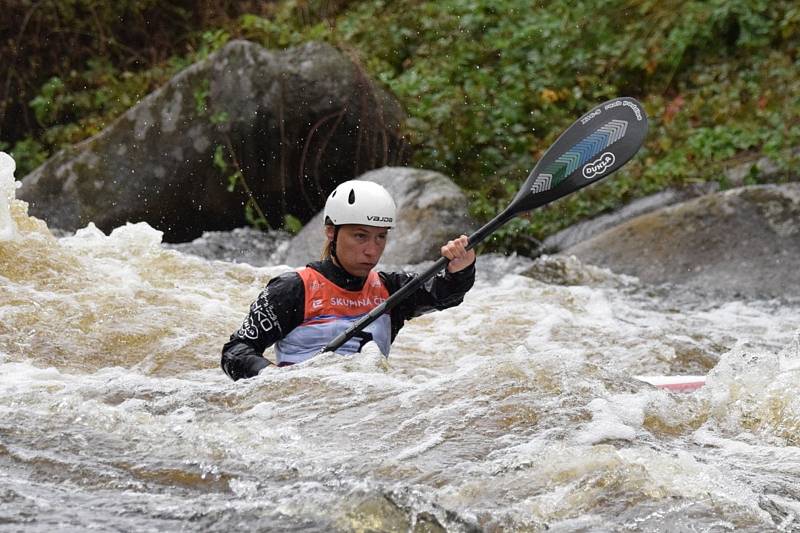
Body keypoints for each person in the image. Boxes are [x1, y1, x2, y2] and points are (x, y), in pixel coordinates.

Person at [221, 180, 476, 381]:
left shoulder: (391, 289)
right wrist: (271, 376)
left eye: (380, 237)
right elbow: (236, 352)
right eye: (360, 236)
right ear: (331, 231)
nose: (372, 250)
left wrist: (462, 269)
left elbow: (447, 293)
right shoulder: (292, 289)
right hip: (301, 415)